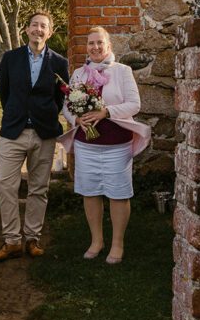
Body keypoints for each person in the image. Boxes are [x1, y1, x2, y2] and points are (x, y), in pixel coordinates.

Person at [57, 27, 151, 264]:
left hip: (116, 144)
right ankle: (96, 241)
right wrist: (75, 118)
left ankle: (117, 244)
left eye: (100, 42)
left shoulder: (122, 71)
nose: (95, 47)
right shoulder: (79, 73)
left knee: (118, 193)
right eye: (91, 43)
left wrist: (106, 112)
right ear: (86, 47)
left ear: (108, 45)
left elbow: (134, 105)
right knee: (90, 191)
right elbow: (67, 105)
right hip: (86, 144)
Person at [0, 11, 70, 262]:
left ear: (50, 32)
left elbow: (60, 98)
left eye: (43, 26)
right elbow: (6, 92)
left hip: (44, 133)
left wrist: (43, 115)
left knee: (38, 188)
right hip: (14, 131)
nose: (38, 29)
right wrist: (18, 115)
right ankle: (12, 240)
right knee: (5, 184)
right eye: (34, 25)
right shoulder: (10, 58)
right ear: (26, 30)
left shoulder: (59, 62)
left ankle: (32, 238)